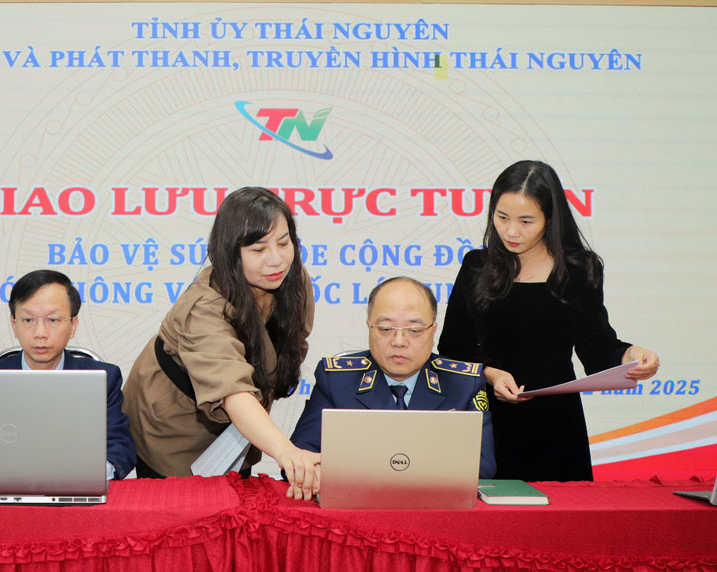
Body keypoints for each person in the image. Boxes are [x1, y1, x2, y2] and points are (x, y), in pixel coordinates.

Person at [439, 160, 659, 481]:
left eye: (526, 221)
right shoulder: (477, 265)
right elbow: (453, 345)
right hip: (489, 415)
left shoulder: (578, 270)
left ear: (550, 219)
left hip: (557, 422)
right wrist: (491, 374)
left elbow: (596, 344)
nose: (511, 231)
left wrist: (631, 356)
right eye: (502, 217)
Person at [122, 186, 321, 498]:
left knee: (237, 507)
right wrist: (286, 452)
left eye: (284, 243)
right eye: (258, 250)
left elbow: (293, 343)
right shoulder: (202, 307)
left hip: (236, 433)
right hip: (171, 429)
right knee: (183, 513)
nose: (276, 260)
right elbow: (233, 392)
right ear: (230, 252)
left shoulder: (293, 279)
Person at [290, 277, 496, 478]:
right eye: (386, 329)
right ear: (369, 327)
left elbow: (483, 466)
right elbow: (300, 455)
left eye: (414, 330)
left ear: (433, 331)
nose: (399, 341)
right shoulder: (336, 380)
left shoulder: (464, 383)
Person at [0, 269, 137, 480]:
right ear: (14, 324)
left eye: (53, 320)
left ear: (73, 325)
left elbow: (120, 446)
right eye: (28, 320)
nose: (40, 333)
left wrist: (86, 477)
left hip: (75, 486)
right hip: (3, 487)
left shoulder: (103, 378)